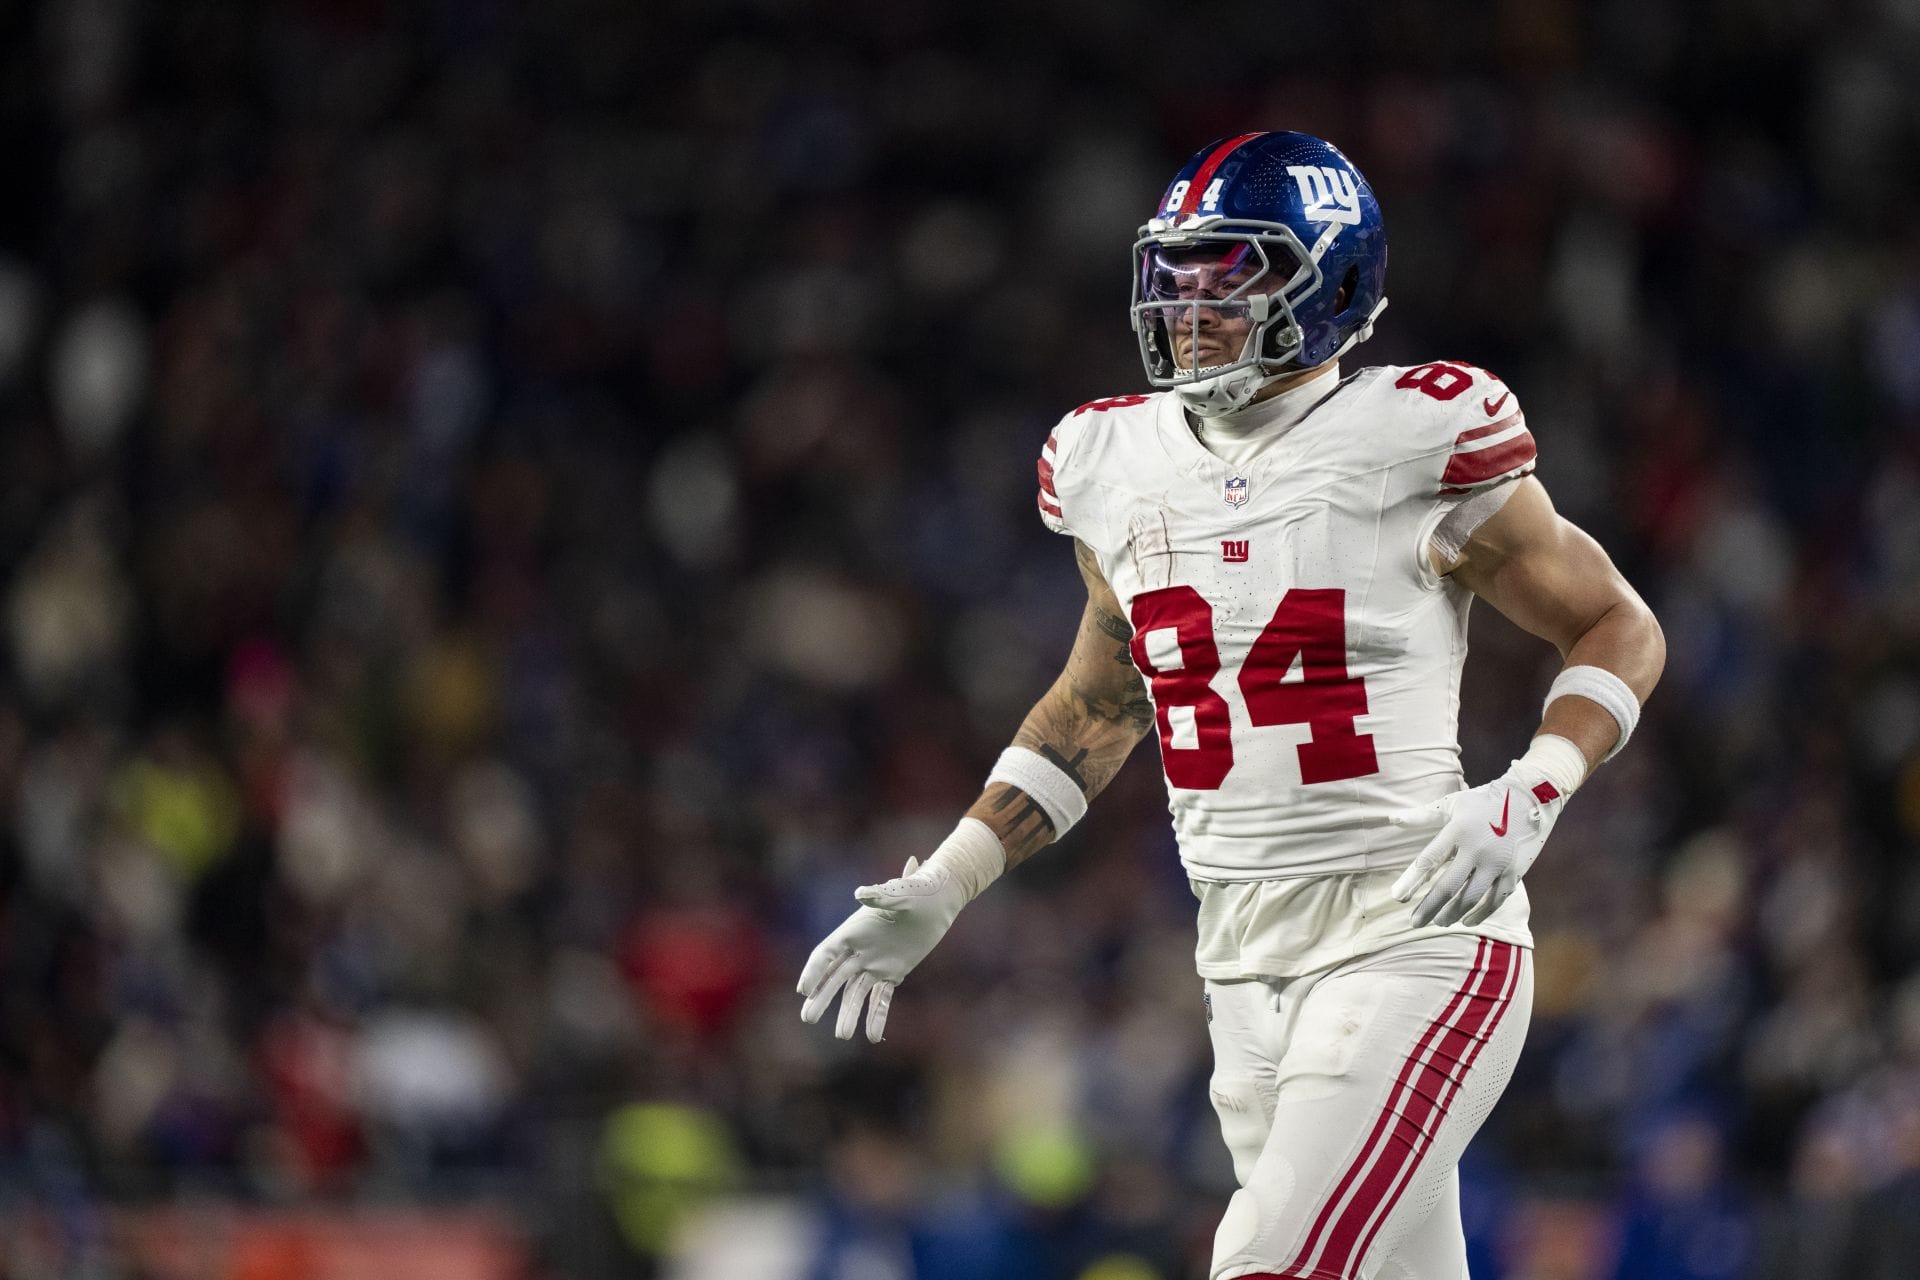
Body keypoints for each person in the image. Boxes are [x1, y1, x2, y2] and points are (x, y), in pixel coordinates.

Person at [796, 131, 1665, 1280]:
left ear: (1332, 283)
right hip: (1242, 970)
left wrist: (1535, 787)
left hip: (1414, 938)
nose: (1192, 307)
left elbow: (1617, 624)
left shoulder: (1418, 433)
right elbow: (1099, 703)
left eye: (1232, 275)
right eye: (1178, 275)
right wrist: (948, 878)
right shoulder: (1111, 456)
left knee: (1265, 1262)